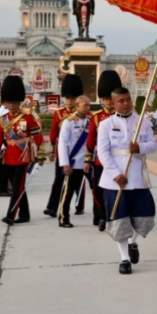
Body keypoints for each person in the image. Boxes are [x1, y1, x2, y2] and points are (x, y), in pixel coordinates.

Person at [98, 87, 157, 274]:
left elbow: (153, 145)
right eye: (121, 100)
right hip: (115, 180)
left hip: (137, 177)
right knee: (119, 219)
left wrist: (139, 147)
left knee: (146, 217)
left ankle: (133, 243)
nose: (125, 103)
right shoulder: (106, 124)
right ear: (113, 103)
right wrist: (116, 175)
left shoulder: (143, 122)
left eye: (128, 99)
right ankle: (124, 258)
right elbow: (103, 152)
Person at [0, 76, 46, 225]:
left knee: (17, 186)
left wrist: (39, 154)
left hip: (23, 156)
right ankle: (24, 214)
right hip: (8, 157)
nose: (10, 105)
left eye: (12, 102)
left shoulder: (28, 117)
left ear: (19, 101)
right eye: (7, 102)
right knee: (19, 186)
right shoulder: (3, 119)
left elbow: (38, 137)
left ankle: (10, 215)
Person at [85, 70, 122, 232]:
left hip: (119, 160)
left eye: (110, 99)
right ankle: (101, 215)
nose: (108, 102)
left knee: (117, 190)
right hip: (101, 160)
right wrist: (87, 160)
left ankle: (114, 216)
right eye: (105, 99)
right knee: (98, 190)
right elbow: (90, 140)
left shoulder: (123, 116)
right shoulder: (96, 117)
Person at [44, 74, 85, 217]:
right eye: (67, 98)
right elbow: (53, 134)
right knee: (58, 180)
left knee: (78, 181)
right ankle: (52, 207)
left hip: (79, 153)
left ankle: (79, 204)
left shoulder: (84, 114)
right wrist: (50, 151)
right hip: (62, 153)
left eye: (73, 98)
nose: (70, 101)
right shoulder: (59, 113)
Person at [57, 96, 92, 228]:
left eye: (89, 105)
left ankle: (99, 217)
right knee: (68, 192)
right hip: (74, 162)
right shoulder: (69, 121)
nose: (88, 108)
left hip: (89, 162)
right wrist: (65, 163)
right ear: (77, 105)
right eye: (85, 105)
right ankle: (63, 218)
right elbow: (63, 143)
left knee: (97, 190)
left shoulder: (91, 121)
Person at [0, 102, 12, 197]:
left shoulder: (1, 111)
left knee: (5, 167)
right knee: (3, 168)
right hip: (5, 142)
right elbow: (7, 130)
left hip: (3, 141)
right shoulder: (4, 112)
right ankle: (3, 189)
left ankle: (5, 188)